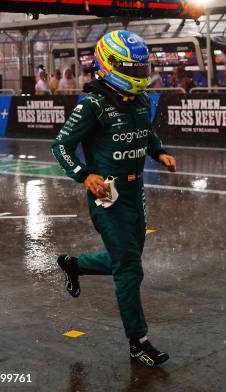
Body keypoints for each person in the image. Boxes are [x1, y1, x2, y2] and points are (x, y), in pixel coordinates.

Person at [51, 30, 177, 367]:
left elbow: (146, 131)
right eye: (131, 69)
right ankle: (139, 342)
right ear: (108, 65)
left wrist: (160, 152)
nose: (138, 75)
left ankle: (73, 265)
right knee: (130, 269)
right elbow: (60, 145)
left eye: (141, 69)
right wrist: (84, 174)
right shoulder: (92, 105)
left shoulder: (140, 100)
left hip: (136, 193)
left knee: (127, 259)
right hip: (108, 195)